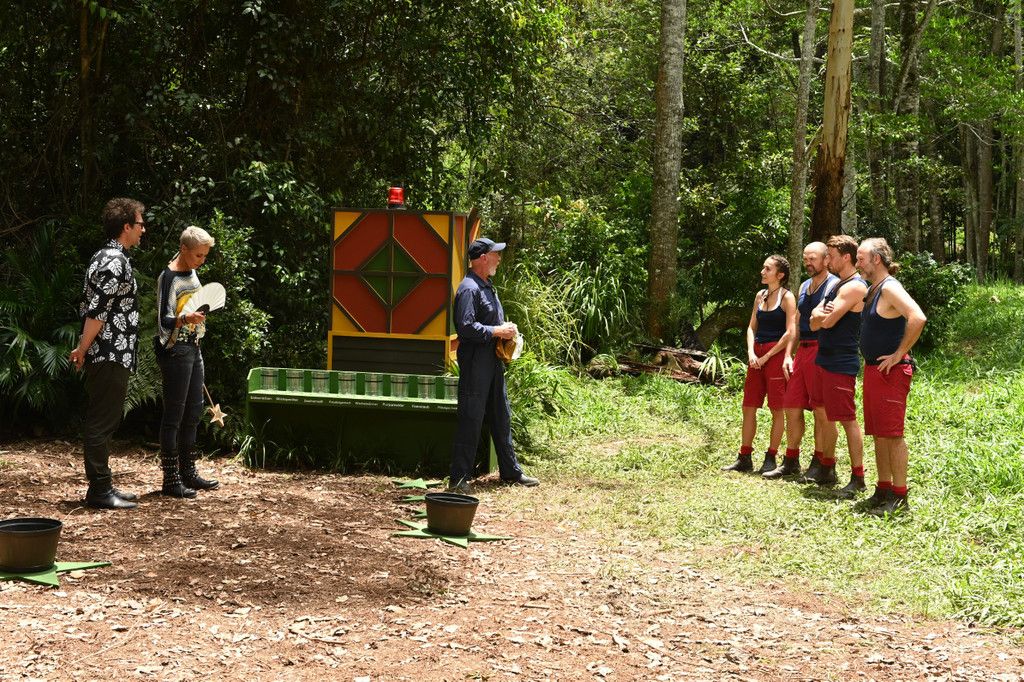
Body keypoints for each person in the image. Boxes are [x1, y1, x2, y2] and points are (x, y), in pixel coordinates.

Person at [69, 198, 146, 510]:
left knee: (106, 418)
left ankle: (104, 484)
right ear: (126, 226)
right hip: (109, 352)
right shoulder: (113, 261)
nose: (143, 229)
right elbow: (98, 311)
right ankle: (99, 490)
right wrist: (82, 348)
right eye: (140, 224)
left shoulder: (111, 256)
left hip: (113, 352)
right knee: (102, 420)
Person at [449, 237, 539, 493]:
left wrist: (506, 331)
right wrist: (498, 331)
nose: (499, 258)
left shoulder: (487, 286)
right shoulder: (469, 289)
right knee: (471, 418)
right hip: (475, 363)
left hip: (492, 362)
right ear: (482, 258)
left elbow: (487, 322)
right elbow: (465, 327)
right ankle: (458, 480)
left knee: (501, 415)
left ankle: (511, 472)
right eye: (495, 254)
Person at [854, 238, 926, 516]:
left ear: (876, 259)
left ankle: (899, 496)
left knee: (892, 436)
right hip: (874, 370)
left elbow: (917, 317)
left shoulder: (890, 287)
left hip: (891, 372)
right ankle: (883, 489)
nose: (857, 263)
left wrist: (899, 354)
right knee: (879, 434)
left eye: (861, 258)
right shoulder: (872, 289)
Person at [154, 226, 219, 498]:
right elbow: (163, 319)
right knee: (174, 415)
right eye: (197, 255)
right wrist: (185, 319)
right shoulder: (169, 277)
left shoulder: (192, 272)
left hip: (194, 347)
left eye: (204, 256)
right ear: (183, 249)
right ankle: (171, 479)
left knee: (194, 412)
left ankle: (189, 472)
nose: (201, 261)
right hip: (175, 350)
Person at [764, 243, 838, 480]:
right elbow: (796, 322)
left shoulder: (835, 285)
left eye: (812, 258)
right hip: (802, 351)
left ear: (826, 260)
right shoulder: (805, 285)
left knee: (819, 410)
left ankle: (820, 460)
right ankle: (791, 460)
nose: (808, 263)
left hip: (822, 349)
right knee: (792, 405)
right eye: (805, 259)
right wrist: (788, 354)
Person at [722, 255, 797, 474]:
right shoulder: (760, 295)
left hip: (775, 354)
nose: (762, 272)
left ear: (780, 275)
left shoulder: (787, 297)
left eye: (767, 269)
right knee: (749, 406)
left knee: (777, 409)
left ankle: (771, 457)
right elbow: (751, 327)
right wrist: (751, 351)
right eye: (763, 268)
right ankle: (744, 456)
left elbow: (790, 332)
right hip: (757, 354)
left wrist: (767, 356)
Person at [808, 234, 868, 498]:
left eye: (831, 256)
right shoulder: (836, 285)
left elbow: (828, 321)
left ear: (846, 257)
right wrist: (818, 315)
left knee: (847, 419)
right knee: (822, 414)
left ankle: (858, 477)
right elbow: (813, 322)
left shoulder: (855, 286)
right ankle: (827, 467)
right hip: (823, 357)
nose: (827, 261)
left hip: (841, 361)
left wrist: (820, 315)